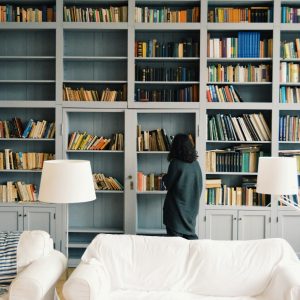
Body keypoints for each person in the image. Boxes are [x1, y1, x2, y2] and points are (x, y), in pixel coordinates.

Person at [163, 134, 202, 240]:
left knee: (175, 246)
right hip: (191, 210)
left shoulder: (175, 163)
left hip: (176, 210)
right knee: (191, 242)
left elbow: (168, 183)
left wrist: (164, 177)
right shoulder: (196, 164)